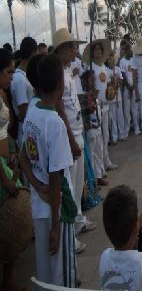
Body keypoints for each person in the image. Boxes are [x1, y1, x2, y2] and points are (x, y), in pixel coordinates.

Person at [21, 54, 77, 286]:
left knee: (45, 272)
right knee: (62, 276)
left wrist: (36, 185)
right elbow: (56, 177)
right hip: (58, 210)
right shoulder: (54, 123)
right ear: (60, 85)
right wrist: (56, 225)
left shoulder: (32, 112)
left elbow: (23, 159)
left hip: (39, 205)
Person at [53, 28, 95, 254]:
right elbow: (59, 105)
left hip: (77, 129)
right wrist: (70, 137)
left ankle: (78, 220)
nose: (74, 50)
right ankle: (71, 233)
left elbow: (72, 102)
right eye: (71, 47)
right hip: (69, 134)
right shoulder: (57, 73)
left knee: (78, 182)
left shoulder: (68, 71)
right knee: (69, 184)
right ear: (61, 49)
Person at [0, 48, 27, 291]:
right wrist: (4, 177)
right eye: (8, 71)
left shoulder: (2, 94)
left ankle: (8, 278)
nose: (11, 76)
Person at [82, 39, 117, 171]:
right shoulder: (89, 66)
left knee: (106, 134)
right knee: (97, 136)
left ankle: (106, 160)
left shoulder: (104, 67)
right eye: (95, 49)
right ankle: (99, 166)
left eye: (99, 49)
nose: (98, 51)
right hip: (94, 105)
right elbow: (86, 84)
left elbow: (107, 84)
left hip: (105, 103)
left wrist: (111, 90)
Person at [10, 37, 37, 149]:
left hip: (31, 128)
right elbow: (23, 111)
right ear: (33, 53)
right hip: (27, 130)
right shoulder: (19, 79)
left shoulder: (25, 75)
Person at [119, 41, 141, 137]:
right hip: (127, 89)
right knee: (126, 110)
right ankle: (126, 130)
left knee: (135, 109)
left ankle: (137, 128)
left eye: (131, 50)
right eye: (129, 50)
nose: (130, 52)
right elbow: (122, 75)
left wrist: (134, 87)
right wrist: (129, 87)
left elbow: (136, 74)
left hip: (134, 87)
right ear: (126, 51)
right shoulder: (122, 61)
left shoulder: (134, 60)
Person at [106, 52, 127, 144]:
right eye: (110, 59)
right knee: (113, 117)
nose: (111, 61)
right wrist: (111, 81)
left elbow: (122, 81)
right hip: (111, 96)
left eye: (113, 59)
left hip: (118, 96)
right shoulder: (106, 71)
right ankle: (114, 136)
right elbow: (106, 84)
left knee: (120, 115)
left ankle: (122, 134)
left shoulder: (118, 69)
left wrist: (118, 80)